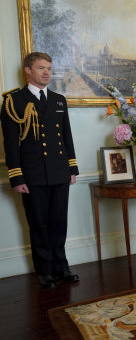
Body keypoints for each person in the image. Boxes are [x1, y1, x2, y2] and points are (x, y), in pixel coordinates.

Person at [0, 52, 80, 289]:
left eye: (49, 68)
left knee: (58, 223)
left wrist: (72, 168)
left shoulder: (58, 100)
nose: (47, 72)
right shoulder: (14, 101)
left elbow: (66, 136)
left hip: (58, 172)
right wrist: (16, 176)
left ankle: (61, 267)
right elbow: (10, 142)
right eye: (41, 68)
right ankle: (44, 271)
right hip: (32, 174)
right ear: (28, 70)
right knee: (39, 224)